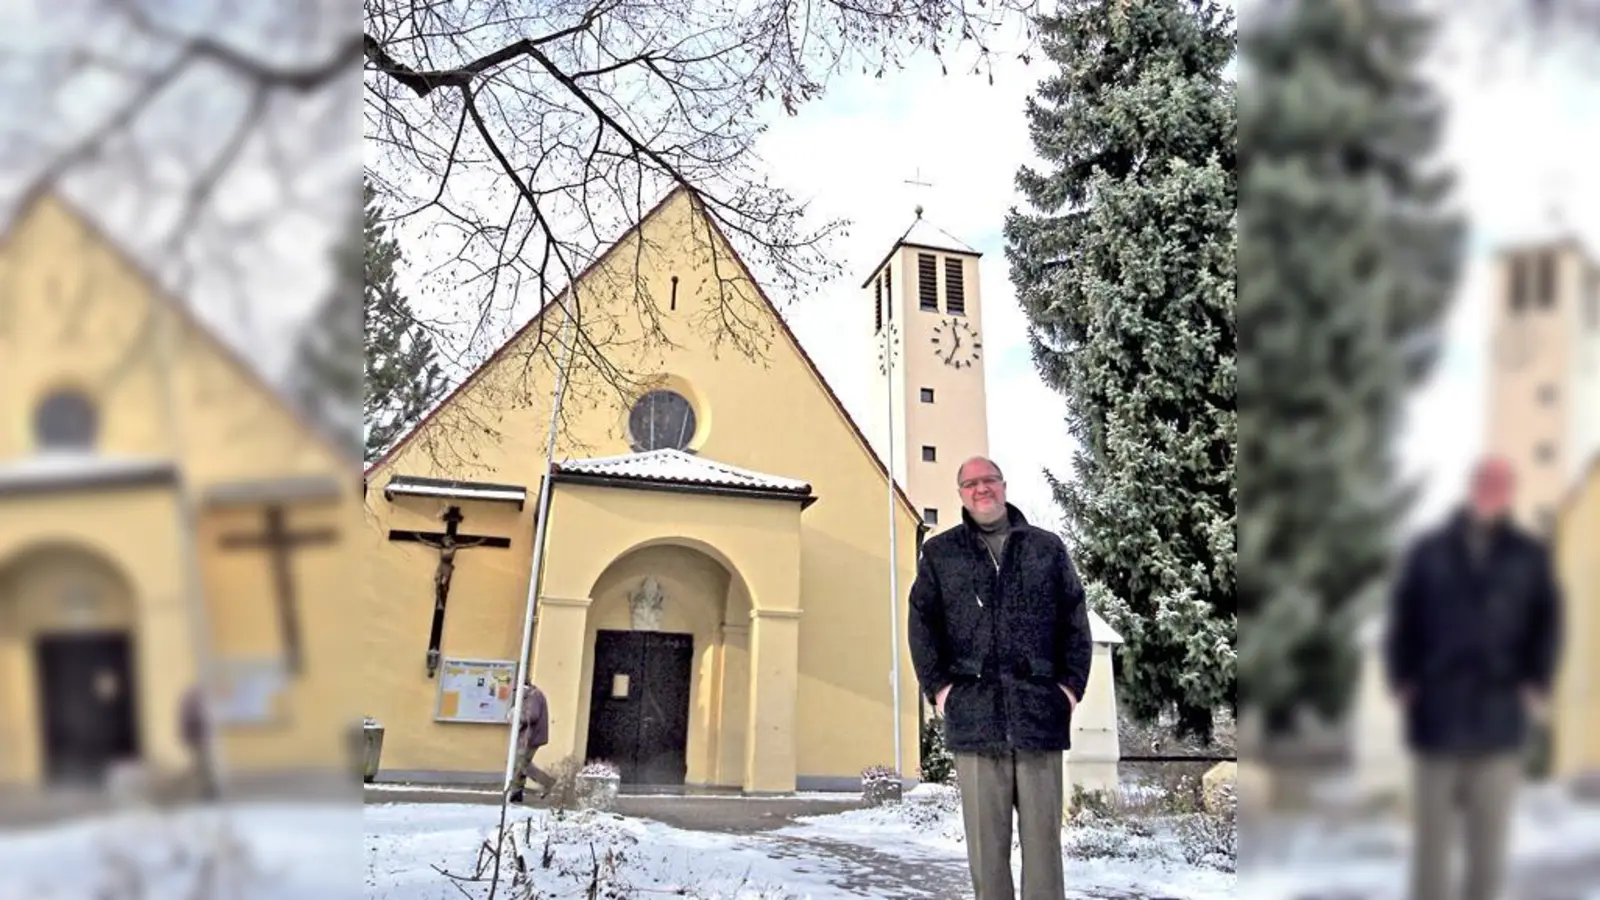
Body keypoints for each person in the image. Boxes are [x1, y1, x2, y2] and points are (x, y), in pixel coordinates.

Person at [907, 456, 1094, 900]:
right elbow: (921, 624)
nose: (980, 489)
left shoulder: (1046, 548)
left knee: (1044, 847)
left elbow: (1075, 620)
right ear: (960, 494)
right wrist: (940, 689)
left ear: (1004, 485)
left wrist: (1069, 688)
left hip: (1039, 715)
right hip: (974, 718)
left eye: (988, 480)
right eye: (969, 483)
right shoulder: (940, 553)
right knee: (986, 851)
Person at [1384, 457, 1564, 900]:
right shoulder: (1429, 550)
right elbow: (1403, 621)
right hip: (1436, 718)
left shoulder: (1530, 556)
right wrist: (1403, 678)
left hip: (1499, 721)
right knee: (1431, 854)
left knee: (1487, 856)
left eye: (1501, 484)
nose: (1491, 491)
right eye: (1485, 482)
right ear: (1471, 487)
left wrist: (1537, 680)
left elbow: (1548, 623)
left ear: (1510, 494)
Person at [508, 679, 556, 803]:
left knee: (522, 764)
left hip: (531, 736)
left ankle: (548, 782)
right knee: (519, 763)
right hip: (529, 736)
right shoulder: (532, 694)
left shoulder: (533, 695)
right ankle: (516, 793)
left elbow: (533, 715)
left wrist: (517, 716)